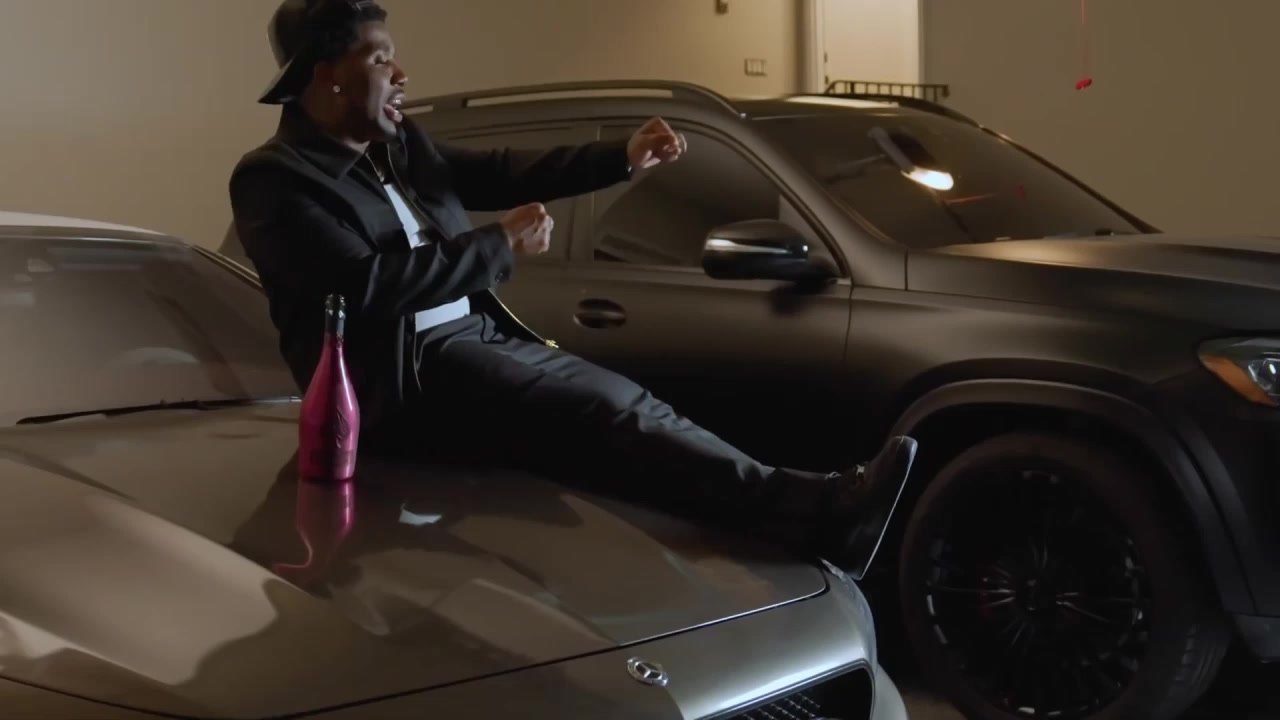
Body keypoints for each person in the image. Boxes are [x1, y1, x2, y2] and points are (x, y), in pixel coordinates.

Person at [229, 0, 918, 578]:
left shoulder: (397, 144)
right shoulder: (275, 180)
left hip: (469, 339)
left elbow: (498, 171)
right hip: (401, 383)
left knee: (628, 403)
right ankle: (817, 516)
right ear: (327, 75)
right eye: (381, 60)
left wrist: (621, 158)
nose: (402, 74)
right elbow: (357, 289)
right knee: (605, 411)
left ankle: (809, 515)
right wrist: (497, 246)